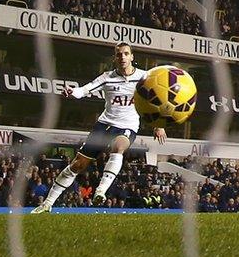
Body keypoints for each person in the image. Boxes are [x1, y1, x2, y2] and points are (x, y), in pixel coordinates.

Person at [31, 42, 167, 213]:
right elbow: (84, 90)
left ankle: (100, 191)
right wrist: (73, 92)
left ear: (132, 57)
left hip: (127, 126)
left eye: (126, 53)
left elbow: (156, 100)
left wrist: (158, 125)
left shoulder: (144, 77)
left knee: (118, 147)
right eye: (119, 54)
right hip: (104, 125)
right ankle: (47, 203)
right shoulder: (107, 77)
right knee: (78, 165)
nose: (122, 57)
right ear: (114, 58)